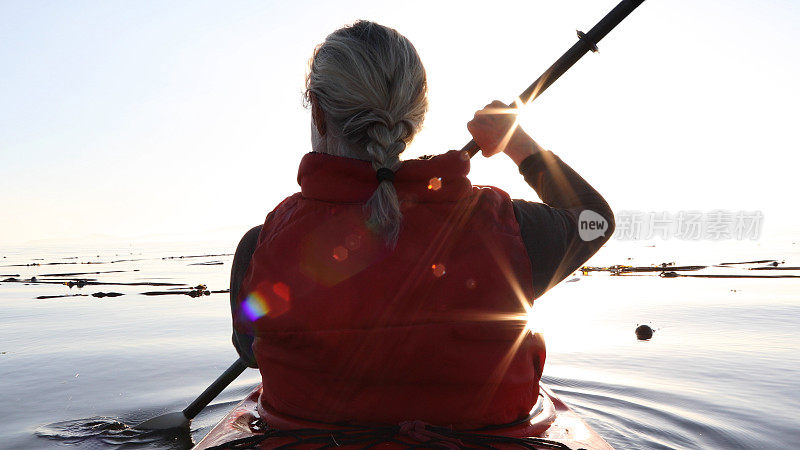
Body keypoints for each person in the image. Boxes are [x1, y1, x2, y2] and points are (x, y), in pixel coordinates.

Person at [229, 20, 614, 430]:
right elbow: (594, 221)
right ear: (416, 117)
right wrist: (519, 144)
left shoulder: (261, 247)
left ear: (319, 113)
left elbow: (251, 353)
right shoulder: (509, 229)